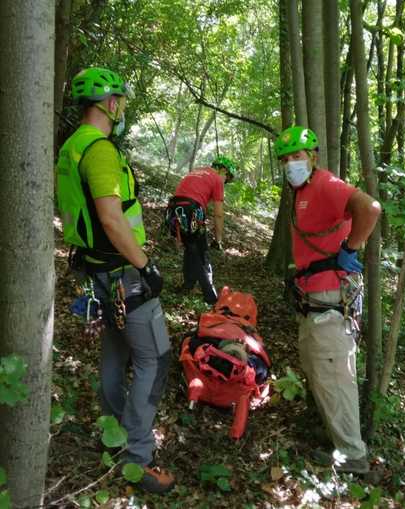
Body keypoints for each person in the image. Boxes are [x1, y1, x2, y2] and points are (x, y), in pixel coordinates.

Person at [56, 67, 175, 494]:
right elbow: (110, 217)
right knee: (154, 358)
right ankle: (138, 458)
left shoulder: (71, 146)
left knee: (115, 352)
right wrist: (146, 265)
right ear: (110, 103)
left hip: (96, 272)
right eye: (120, 101)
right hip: (124, 272)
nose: (122, 108)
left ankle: (114, 436)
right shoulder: (101, 149)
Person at [274, 126, 381, 474]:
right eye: (286, 159)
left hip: (331, 296)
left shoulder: (324, 183)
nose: (292, 164)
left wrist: (351, 249)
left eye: (298, 156)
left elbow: (370, 207)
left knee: (335, 374)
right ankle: (338, 440)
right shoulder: (302, 191)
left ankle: (353, 454)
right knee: (320, 370)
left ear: (313, 157)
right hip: (314, 296)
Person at [165, 157, 235, 304]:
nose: (225, 182)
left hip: (173, 209)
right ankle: (210, 296)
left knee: (191, 248)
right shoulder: (216, 179)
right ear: (223, 170)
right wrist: (218, 239)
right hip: (191, 210)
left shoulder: (198, 171)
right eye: (227, 178)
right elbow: (219, 214)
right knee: (201, 252)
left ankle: (187, 285)